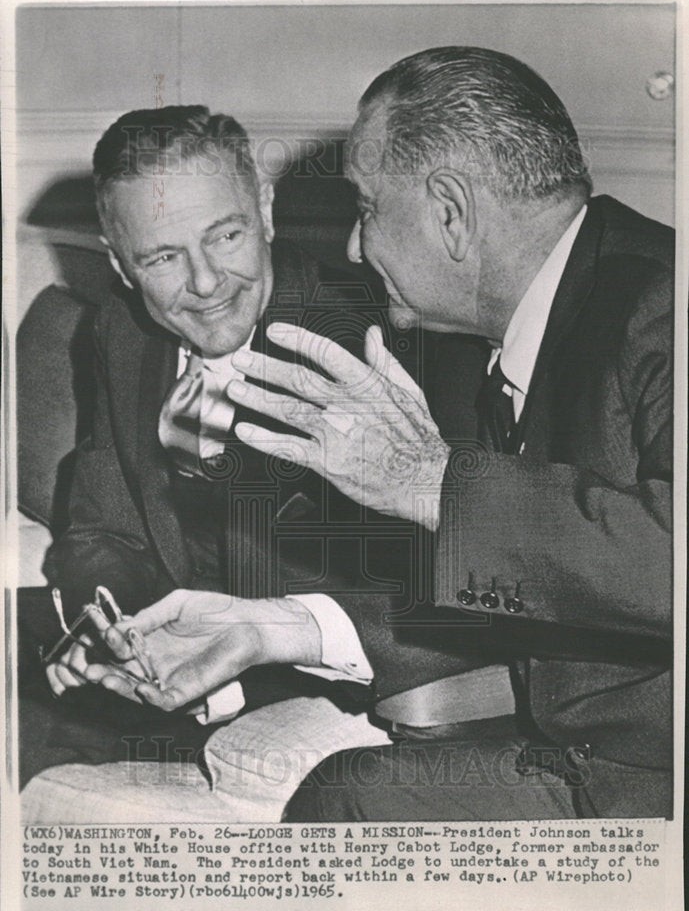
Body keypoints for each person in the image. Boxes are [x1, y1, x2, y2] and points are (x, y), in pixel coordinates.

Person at [87, 47, 672, 822]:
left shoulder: (663, 301)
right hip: (585, 757)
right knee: (345, 802)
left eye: (365, 210)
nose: (354, 248)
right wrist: (274, 626)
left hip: (651, 777)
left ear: (449, 213)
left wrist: (428, 480)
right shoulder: (523, 329)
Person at [23, 104, 509, 803]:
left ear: (267, 212)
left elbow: (445, 597)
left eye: (225, 235)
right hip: (164, 676)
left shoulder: (383, 337)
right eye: (162, 257)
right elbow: (103, 526)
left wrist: (227, 668)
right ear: (120, 264)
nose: (205, 283)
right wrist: (123, 633)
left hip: (312, 684)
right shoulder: (121, 331)